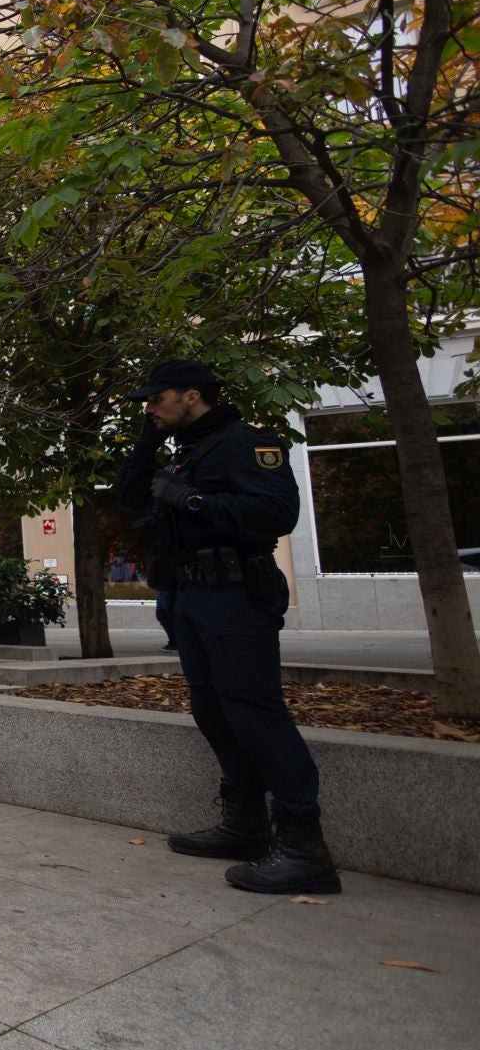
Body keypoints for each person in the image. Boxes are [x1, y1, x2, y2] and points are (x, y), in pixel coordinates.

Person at [117, 359, 337, 895]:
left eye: (156, 398)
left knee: (255, 710)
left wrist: (193, 500)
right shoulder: (185, 449)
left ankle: (306, 849)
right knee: (212, 708)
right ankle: (244, 824)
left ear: (191, 396)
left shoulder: (249, 443)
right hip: (191, 594)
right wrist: (148, 438)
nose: (149, 406)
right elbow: (126, 497)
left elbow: (277, 513)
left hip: (237, 595)